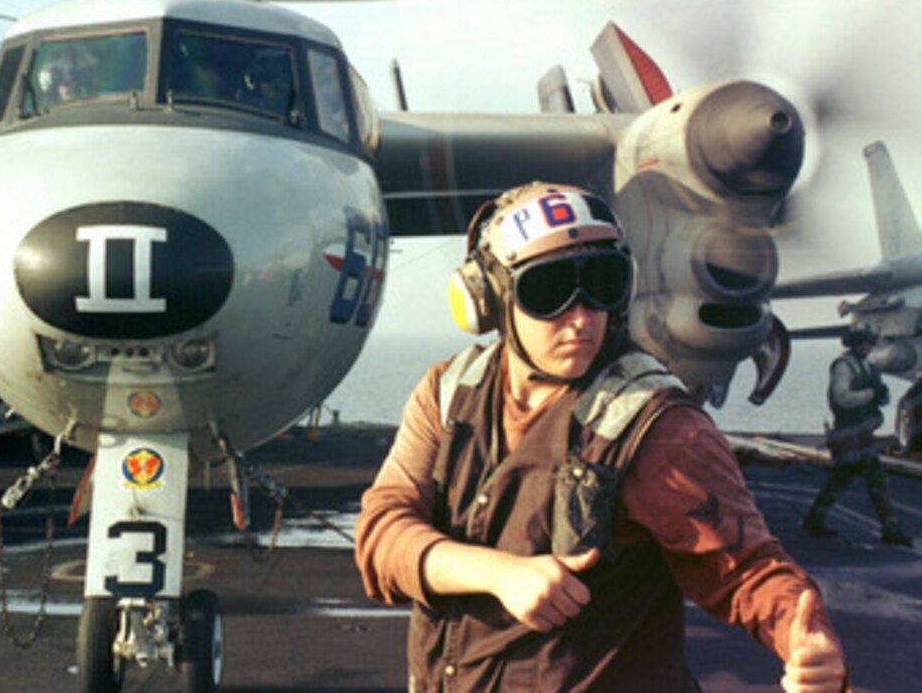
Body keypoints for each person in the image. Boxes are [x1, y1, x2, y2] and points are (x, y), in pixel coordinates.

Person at [355, 182, 849, 691]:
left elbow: (748, 570)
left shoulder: (657, 428)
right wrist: (501, 574)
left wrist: (810, 644)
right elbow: (381, 536)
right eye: (548, 290)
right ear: (491, 297)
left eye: (602, 283)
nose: (581, 316)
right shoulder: (447, 393)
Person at [802, 326, 912, 546]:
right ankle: (890, 528)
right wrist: (872, 394)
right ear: (854, 344)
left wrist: (881, 396)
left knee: (844, 478)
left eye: (869, 343)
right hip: (849, 434)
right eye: (863, 343)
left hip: (861, 434)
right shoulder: (844, 367)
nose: (867, 346)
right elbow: (841, 397)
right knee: (871, 478)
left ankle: (815, 518)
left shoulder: (867, 366)